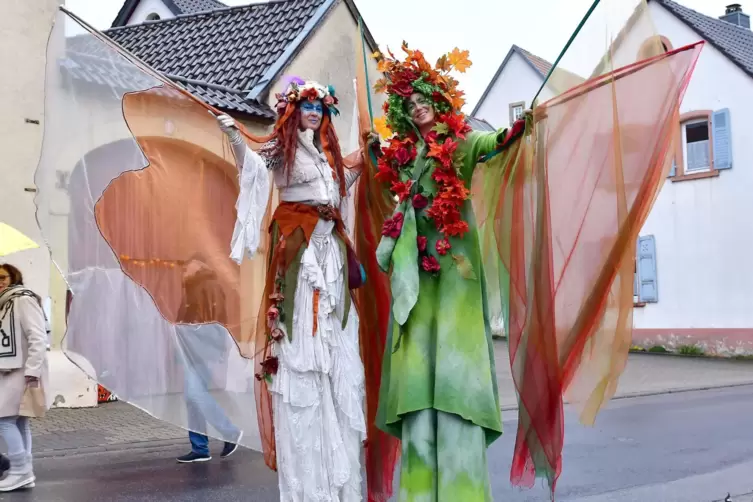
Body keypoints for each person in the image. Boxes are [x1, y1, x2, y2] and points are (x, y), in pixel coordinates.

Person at [370, 46, 527, 501]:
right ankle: (421, 487)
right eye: (410, 103)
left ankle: (460, 486)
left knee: (455, 364)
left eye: (424, 100)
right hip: (416, 273)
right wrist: (375, 154)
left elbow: (489, 143)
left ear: (438, 102)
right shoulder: (407, 155)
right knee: (420, 366)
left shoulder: (458, 143)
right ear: (405, 111)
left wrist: (511, 132)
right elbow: (393, 183)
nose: (418, 107)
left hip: (455, 269)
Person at [217, 78, 369, 501]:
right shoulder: (283, 151)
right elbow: (251, 166)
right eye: (307, 106)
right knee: (302, 344)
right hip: (299, 261)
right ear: (293, 111)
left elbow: (342, 188)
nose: (315, 113)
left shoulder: (329, 157)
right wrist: (233, 134)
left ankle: (338, 469)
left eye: (320, 108)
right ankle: (307, 482)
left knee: (335, 347)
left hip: (332, 261)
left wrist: (369, 155)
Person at [175, 255, 242, 463]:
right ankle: (200, 447)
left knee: (194, 394)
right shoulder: (193, 287)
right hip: (194, 350)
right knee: (191, 396)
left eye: (188, 265)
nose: (184, 269)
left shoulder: (207, 285)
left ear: (199, 265)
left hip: (201, 350)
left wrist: (208, 345)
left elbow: (214, 321)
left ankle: (229, 431)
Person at [0, 263, 49, 491]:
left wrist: (33, 371)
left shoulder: (22, 299)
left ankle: (20, 471)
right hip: (9, 370)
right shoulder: (5, 303)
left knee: (4, 421)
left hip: (21, 371)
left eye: (2, 277)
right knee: (19, 420)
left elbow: (38, 337)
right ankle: (25, 471)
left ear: (13, 277)